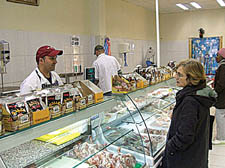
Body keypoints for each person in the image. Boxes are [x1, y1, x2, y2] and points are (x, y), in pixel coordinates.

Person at [162, 59, 217, 168]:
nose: (175, 77)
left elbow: (185, 136)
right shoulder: (201, 94)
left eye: (179, 75)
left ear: (191, 78)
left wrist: (169, 147)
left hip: (185, 160)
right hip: (197, 155)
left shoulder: (190, 101)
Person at [213, 48, 225, 143]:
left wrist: (215, 92)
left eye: (217, 55)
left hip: (222, 98)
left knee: (220, 116)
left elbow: (221, 83)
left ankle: (221, 138)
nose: (216, 57)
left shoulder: (223, 67)